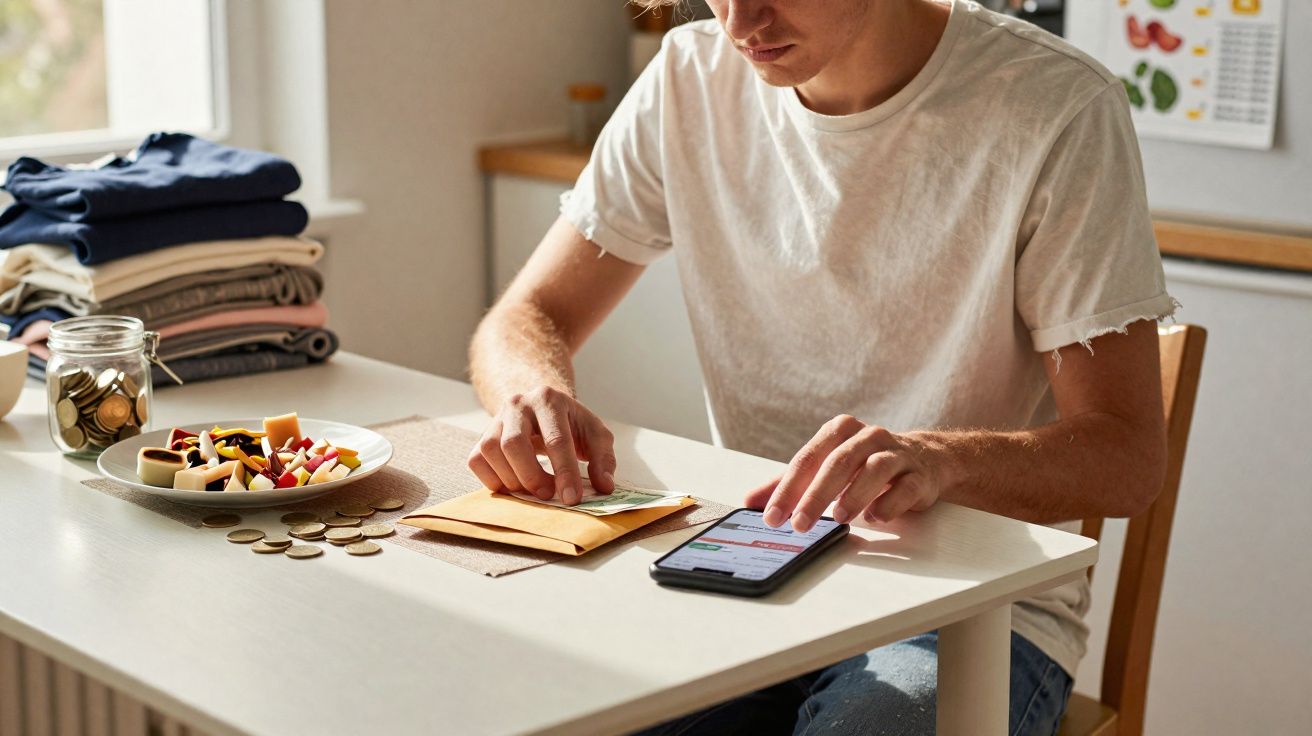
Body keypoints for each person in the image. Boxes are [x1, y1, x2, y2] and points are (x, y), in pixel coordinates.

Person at [467, 0, 1176, 733]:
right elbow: (528, 316)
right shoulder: (688, 77)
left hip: (973, 604)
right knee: (544, 702)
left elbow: (1126, 456)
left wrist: (939, 460)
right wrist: (533, 391)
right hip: (743, 564)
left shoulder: (1052, 103)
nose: (742, 22)